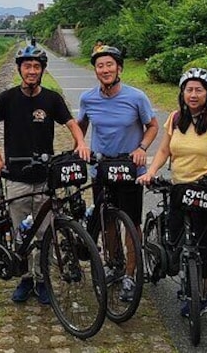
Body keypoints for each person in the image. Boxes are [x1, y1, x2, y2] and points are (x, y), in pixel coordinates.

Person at [0, 45, 91, 305]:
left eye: (36, 67)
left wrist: (81, 143)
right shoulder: (7, 98)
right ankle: (26, 280)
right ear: (20, 69)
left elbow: (71, 124)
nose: (32, 71)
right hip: (16, 177)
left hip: (45, 177)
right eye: (27, 66)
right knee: (22, 234)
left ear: (43, 70)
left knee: (44, 232)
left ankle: (42, 280)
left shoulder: (52, 99)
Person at [137, 68, 207, 317]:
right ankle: (187, 274)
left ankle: (202, 294)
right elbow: (164, 150)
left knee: (206, 245)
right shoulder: (174, 118)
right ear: (182, 92)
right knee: (177, 240)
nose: (193, 95)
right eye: (189, 89)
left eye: (199, 90)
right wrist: (151, 171)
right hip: (179, 188)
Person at [77, 45, 159, 302]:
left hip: (129, 168)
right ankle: (114, 263)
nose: (105, 70)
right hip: (101, 167)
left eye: (109, 64)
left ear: (119, 68)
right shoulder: (88, 99)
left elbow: (153, 126)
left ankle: (131, 275)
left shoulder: (136, 97)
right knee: (106, 219)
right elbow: (79, 126)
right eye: (100, 66)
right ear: (96, 71)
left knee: (131, 224)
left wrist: (142, 147)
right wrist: (80, 145)